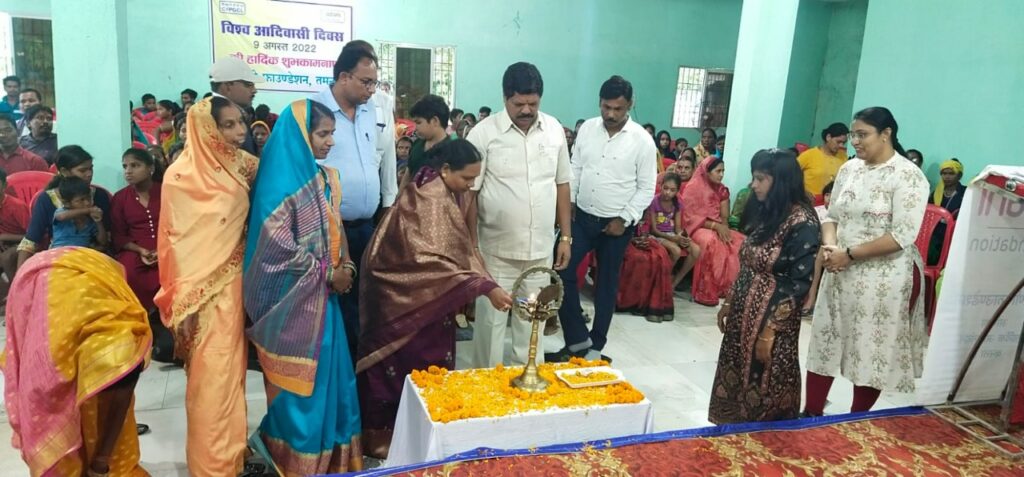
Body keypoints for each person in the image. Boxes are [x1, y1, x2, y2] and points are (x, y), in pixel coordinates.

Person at [357, 139, 511, 458]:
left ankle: (426, 428)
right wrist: (484, 286)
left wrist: (483, 283)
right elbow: (428, 260)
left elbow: (456, 251)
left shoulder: (446, 191)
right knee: (400, 367)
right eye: (466, 178)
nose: (470, 186)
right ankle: (382, 434)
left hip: (431, 298)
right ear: (445, 170)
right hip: (401, 298)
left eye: (475, 179)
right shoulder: (429, 197)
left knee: (430, 362)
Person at [244, 99, 363, 475]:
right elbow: (274, 249)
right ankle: (295, 461)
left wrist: (347, 264)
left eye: (332, 133)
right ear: (299, 136)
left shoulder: (326, 178)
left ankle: (333, 458)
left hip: (326, 301)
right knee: (301, 389)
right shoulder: (277, 186)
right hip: (293, 304)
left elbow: (337, 227)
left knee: (333, 378)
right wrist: (328, 274)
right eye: (322, 134)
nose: (330, 141)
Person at [154, 96, 259, 476]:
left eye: (240, 122)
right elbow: (173, 241)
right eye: (227, 125)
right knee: (210, 377)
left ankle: (233, 451)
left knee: (232, 373)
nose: (239, 132)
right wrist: (186, 300)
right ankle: (212, 466)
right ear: (205, 128)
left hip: (235, 285)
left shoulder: (244, 165)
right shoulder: (178, 177)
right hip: (199, 295)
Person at [804, 106, 929, 416]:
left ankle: (857, 420)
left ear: (886, 134)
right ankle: (811, 412)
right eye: (853, 135)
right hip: (839, 268)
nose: (855, 141)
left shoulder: (908, 176)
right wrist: (831, 248)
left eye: (862, 135)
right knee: (825, 341)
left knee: (871, 348)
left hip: (882, 277)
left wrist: (849, 255)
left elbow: (901, 235)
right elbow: (831, 215)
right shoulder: (850, 169)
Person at [3, 247, 151, 477]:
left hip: (87, 278)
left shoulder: (122, 343)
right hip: (42, 283)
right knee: (49, 397)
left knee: (102, 398)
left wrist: (101, 461)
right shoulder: (47, 358)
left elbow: (123, 388)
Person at [468, 62, 572, 367]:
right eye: (519, 104)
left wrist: (565, 237)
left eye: (533, 103)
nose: (527, 110)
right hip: (494, 251)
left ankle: (528, 383)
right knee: (490, 327)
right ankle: (486, 386)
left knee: (532, 323)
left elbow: (562, 184)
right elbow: (469, 194)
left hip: (540, 250)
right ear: (505, 98)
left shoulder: (553, 130)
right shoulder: (484, 134)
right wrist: (472, 247)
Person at [708, 148, 821, 424]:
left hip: (772, 319)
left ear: (780, 181)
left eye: (760, 179)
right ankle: (730, 431)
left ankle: (765, 438)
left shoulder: (803, 223)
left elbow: (798, 284)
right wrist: (730, 301)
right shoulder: (770, 211)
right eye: (754, 177)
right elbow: (748, 262)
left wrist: (770, 331)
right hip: (742, 313)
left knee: (766, 378)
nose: (753, 184)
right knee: (736, 371)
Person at [551, 75, 655, 362]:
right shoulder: (587, 129)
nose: (610, 114)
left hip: (616, 226)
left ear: (630, 105)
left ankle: (596, 346)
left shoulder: (642, 141)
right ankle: (577, 340)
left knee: (606, 285)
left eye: (617, 109)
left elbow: (647, 188)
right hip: (582, 217)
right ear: (599, 102)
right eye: (606, 107)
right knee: (559, 269)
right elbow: (575, 166)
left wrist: (625, 218)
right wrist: (570, 201)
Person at [311, 40, 397, 362]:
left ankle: (361, 373)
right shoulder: (314, 109)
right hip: (329, 232)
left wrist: (387, 205)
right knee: (335, 308)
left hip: (366, 226)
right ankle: (340, 372)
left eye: (375, 82)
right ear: (344, 77)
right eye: (366, 82)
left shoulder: (371, 109)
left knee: (365, 305)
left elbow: (384, 156)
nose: (372, 90)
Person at [17, 145, 112, 266]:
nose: (89, 174)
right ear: (64, 172)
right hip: (59, 257)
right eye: (82, 170)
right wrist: (21, 273)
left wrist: (84, 253)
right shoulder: (46, 199)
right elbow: (31, 239)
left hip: (93, 256)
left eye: (91, 169)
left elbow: (106, 239)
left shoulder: (99, 195)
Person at [681, 156, 745, 306]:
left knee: (741, 242)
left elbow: (724, 217)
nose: (721, 174)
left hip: (717, 226)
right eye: (718, 171)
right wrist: (716, 227)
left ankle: (728, 288)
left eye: (723, 171)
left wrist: (724, 229)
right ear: (707, 172)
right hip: (697, 228)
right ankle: (706, 289)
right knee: (711, 241)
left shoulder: (722, 190)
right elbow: (690, 217)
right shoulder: (693, 188)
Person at [111, 148, 162, 311]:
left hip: (168, 246)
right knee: (128, 270)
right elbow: (119, 235)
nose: (128, 171)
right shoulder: (120, 198)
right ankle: (140, 314)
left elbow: (178, 226)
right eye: (125, 166)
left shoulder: (166, 190)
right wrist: (141, 251)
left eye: (135, 165)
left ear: (150, 168)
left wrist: (162, 250)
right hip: (135, 249)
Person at [647, 173, 700, 292]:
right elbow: (653, 230)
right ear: (661, 186)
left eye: (672, 190)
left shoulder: (677, 203)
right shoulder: (654, 201)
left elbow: (677, 228)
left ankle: (674, 283)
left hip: (671, 234)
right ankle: (661, 281)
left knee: (696, 250)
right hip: (657, 235)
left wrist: (682, 237)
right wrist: (673, 238)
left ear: (677, 191)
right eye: (665, 188)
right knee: (676, 250)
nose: (667, 192)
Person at [209, 56, 264, 156]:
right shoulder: (210, 114)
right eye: (248, 85)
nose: (254, 90)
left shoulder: (234, 112)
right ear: (227, 87)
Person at [50, 177, 107, 250]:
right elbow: (61, 217)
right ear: (67, 203)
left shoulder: (90, 220)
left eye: (89, 198)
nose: (87, 203)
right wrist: (89, 210)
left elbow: (103, 241)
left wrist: (98, 221)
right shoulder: (61, 212)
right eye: (81, 200)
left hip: (80, 254)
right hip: (60, 253)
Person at [403, 94, 450, 182]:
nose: (415, 128)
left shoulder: (452, 151)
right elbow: (408, 175)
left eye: (419, 122)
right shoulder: (417, 145)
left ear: (435, 121)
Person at [929, 158, 966, 264]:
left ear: (959, 175)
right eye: (944, 174)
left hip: (955, 235)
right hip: (935, 234)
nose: (947, 177)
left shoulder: (965, 193)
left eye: (951, 173)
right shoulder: (936, 193)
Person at [797, 122, 849, 195]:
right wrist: (803, 193)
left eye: (843, 143)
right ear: (828, 137)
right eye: (838, 142)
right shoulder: (808, 155)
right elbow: (790, 176)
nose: (841, 145)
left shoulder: (843, 157)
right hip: (810, 200)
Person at [0, 168, 29, 299]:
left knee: (7, 258)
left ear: (4, 185)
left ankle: (18, 294)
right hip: (4, 243)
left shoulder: (17, 206)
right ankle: (4, 294)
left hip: (24, 243)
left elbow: (34, 236)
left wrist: (5, 237)